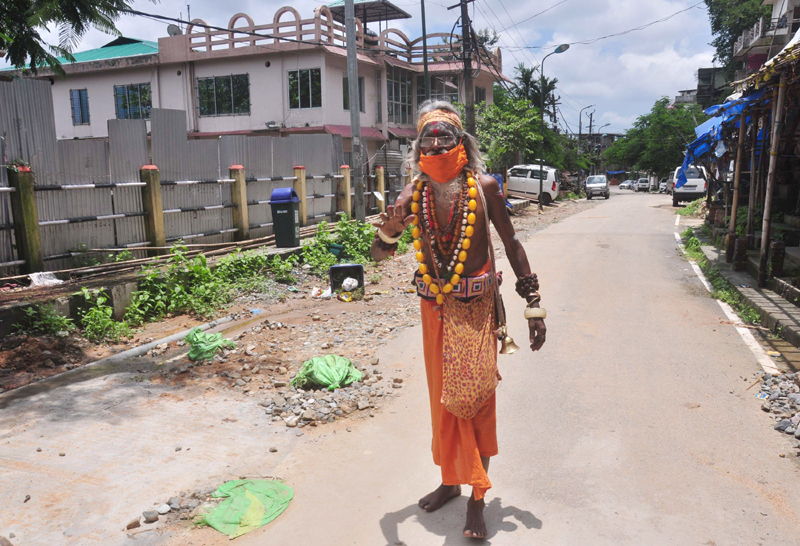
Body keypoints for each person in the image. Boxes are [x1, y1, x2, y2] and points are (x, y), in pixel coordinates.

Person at [370, 100, 547, 539]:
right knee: (445, 403)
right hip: (436, 311)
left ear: (461, 142)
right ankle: (451, 482)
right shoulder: (414, 194)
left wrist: (534, 305)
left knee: (476, 402)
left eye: (444, 136)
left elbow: (511, 243)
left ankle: (478, 499)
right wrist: (391, 227)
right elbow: (378, 255)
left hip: (478, 310)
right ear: (417, 148)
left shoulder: (485, 187)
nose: (435, 144)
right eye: (427, 137)